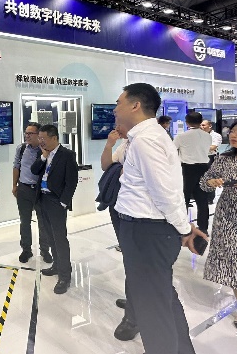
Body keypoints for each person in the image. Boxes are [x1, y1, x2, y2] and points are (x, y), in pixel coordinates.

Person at [113, 83, 207, 354]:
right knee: (161, 299)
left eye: (119, 102)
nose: (115, 109)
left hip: (146, 233)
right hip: (147, 230)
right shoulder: (146, 136)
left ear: (135, 105)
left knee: (152, 310)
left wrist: (184, 229)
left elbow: (164, 192)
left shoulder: (146, 140)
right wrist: (183, 225)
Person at [99, 125, 138, 339]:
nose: (116, 122)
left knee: (137, 261)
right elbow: (106, 166)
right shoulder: (125, 144)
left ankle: (135, 315)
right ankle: (133, 301)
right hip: (119, 204)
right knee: (128, 256)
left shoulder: (146, 142)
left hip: (137, 210)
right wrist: (109, 144)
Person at [199, 121, 237, 330]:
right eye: (232, 131)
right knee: (232, 261)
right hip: (227, 216)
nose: (233, 135)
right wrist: (211, 183)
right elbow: (204, 182)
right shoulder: (224, 158)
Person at [31, 125, 78, 294]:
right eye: (39, 138)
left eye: (43, 138)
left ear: (54, 138)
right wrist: (43, 157)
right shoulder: (44, 153)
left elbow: (72, 181)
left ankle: (65, 276)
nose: (40, 141)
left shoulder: (67, 155)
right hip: (42, 199)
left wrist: (63, 203)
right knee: (50, 236)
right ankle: (56, 266)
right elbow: (34, 170)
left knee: (60, 239)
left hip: (56, 201)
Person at [12, 122, 52, 263]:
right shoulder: (21, 148)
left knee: (43, 222)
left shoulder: (45, 150)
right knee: (25, 221)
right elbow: (16, 166)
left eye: (30, 133)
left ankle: (45, 251)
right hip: (23, 189)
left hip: (40, 191)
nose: (27, 136)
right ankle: (26, 250)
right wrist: (14, 185)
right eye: (26, 133)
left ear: (38, 135)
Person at [174, 112, 212, 234]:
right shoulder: (207, 136)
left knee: (184, 198)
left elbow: (172, 151)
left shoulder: (181, 136)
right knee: (202, 199)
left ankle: (183, 227)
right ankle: (203, 227)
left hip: (187, 169)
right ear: (200, 122)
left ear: (187, 122)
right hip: (204, 168)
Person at [200, 119, 222, 204]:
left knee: (210, 177)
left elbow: (213, 147)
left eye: (203, 125)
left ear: (210, 126)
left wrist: (199, 147)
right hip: (199, 157)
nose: (201, 127)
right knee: (199, 177)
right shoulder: (199, 135)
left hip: (210, 157)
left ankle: (210, 198)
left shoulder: (216, 135)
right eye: (201, 125)